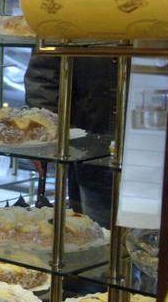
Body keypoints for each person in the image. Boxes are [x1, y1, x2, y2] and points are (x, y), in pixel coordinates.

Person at [24, 55, 117, 227]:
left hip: (149, 137)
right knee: (92, 231)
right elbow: (44, 73)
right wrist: (42, 134)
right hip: (87, 142)